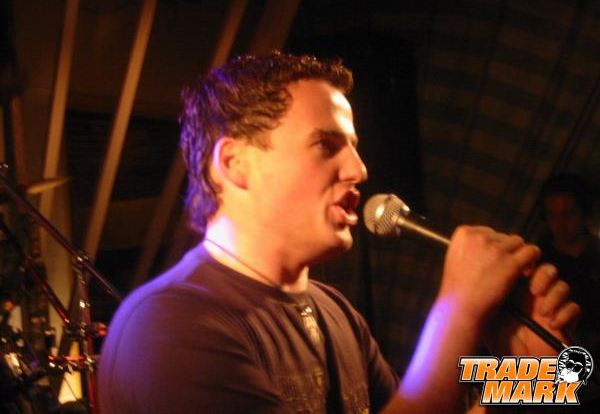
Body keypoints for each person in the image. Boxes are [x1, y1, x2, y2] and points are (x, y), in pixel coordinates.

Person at [98, 52, 580, 414]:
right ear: (235, 163)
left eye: (353, 147)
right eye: (327, 145)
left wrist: (535, 375)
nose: (359, 170)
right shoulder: (168, 327)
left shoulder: (335, 311)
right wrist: (458, 313)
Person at [538, 173, 600, 356]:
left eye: (569, 213)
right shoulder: (539, 258)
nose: (561, 224)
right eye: (553, 215)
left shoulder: (595, 252)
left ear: (583, 213)